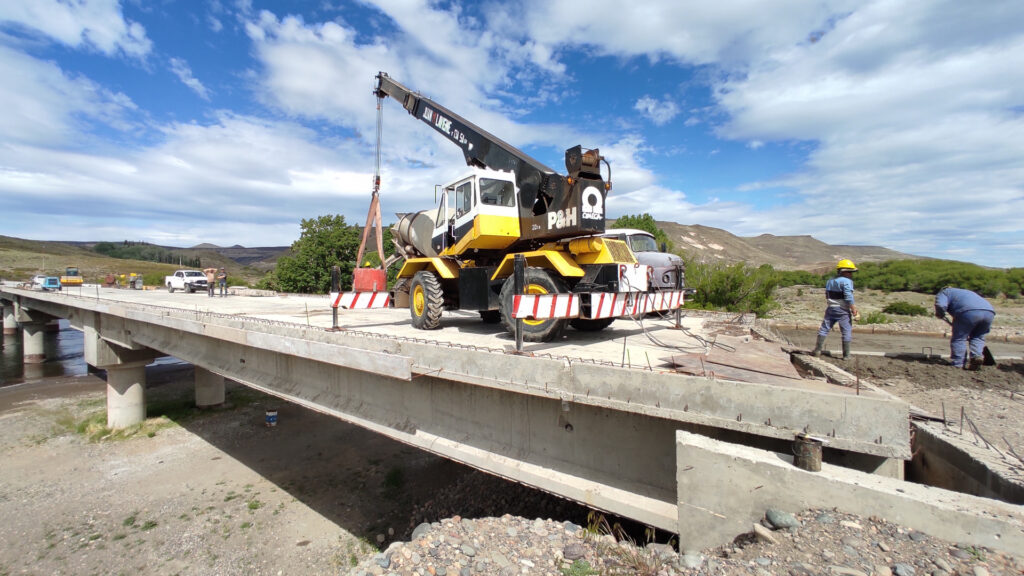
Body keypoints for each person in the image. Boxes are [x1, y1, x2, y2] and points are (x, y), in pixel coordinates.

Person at [934, 287, 995, 370]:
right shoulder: (966, 291)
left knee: (959, 338)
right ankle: (976, 356)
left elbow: (940, 305)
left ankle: (958, 363)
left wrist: (940, 313)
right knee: (978, 337)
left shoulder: (944, 292)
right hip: (989, 312)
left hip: (968, 312)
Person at [812, 259, 859, 360]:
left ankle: (817, 350)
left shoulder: (830, 280)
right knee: (846, 331)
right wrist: (854, 309)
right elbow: (848, 297)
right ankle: (846, 356)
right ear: (844, 271)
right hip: (842, 310)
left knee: (824, 329)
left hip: (831, 308)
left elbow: (827, 294)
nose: (851, 275)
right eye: (850, 272)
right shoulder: (847, 281)